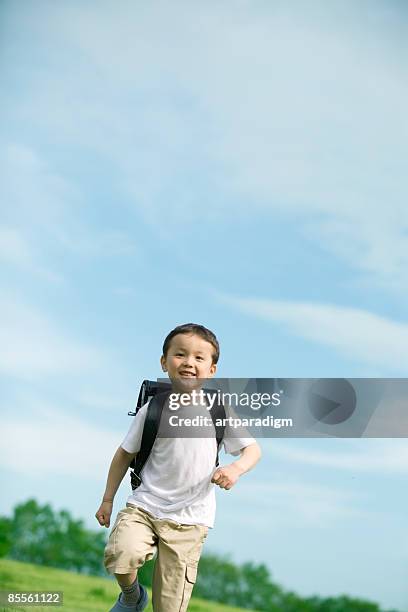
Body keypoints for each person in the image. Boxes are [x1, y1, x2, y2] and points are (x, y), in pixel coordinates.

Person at [95, 323, 261, 612]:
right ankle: (132, 597)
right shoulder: (154, 409)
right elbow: (124, 454)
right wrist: (108, 499)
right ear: (164, 361)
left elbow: (252, 450)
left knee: (169, 607)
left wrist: (236, 469)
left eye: (199, 358)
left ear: (212, 369)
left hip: (191, 518)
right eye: (180, 354)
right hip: (145, 505)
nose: (189, 363)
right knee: (122, 554)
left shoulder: (217, 409)